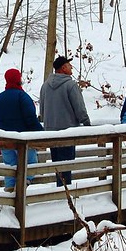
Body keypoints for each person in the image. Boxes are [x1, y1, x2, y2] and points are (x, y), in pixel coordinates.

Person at [39, 56, 91, 186]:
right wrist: (86, 122)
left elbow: (42, 110)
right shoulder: (70, 85)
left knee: (58, 165)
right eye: (69, 65)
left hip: (51, 132)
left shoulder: (45, 86)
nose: (71, 67)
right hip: (67, 132)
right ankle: (65, 194)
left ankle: (60, 191)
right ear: (63, 68)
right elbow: (79, 107)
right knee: (67, 165)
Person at [0, 68, 44, 191]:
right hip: (23, 139)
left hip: (5, 140)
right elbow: (30, 118)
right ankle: (22, 184)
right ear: (18, 79)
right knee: (31, 164)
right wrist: (40, 133)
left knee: (10, 166)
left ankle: (9, 191)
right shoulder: (22, 97)